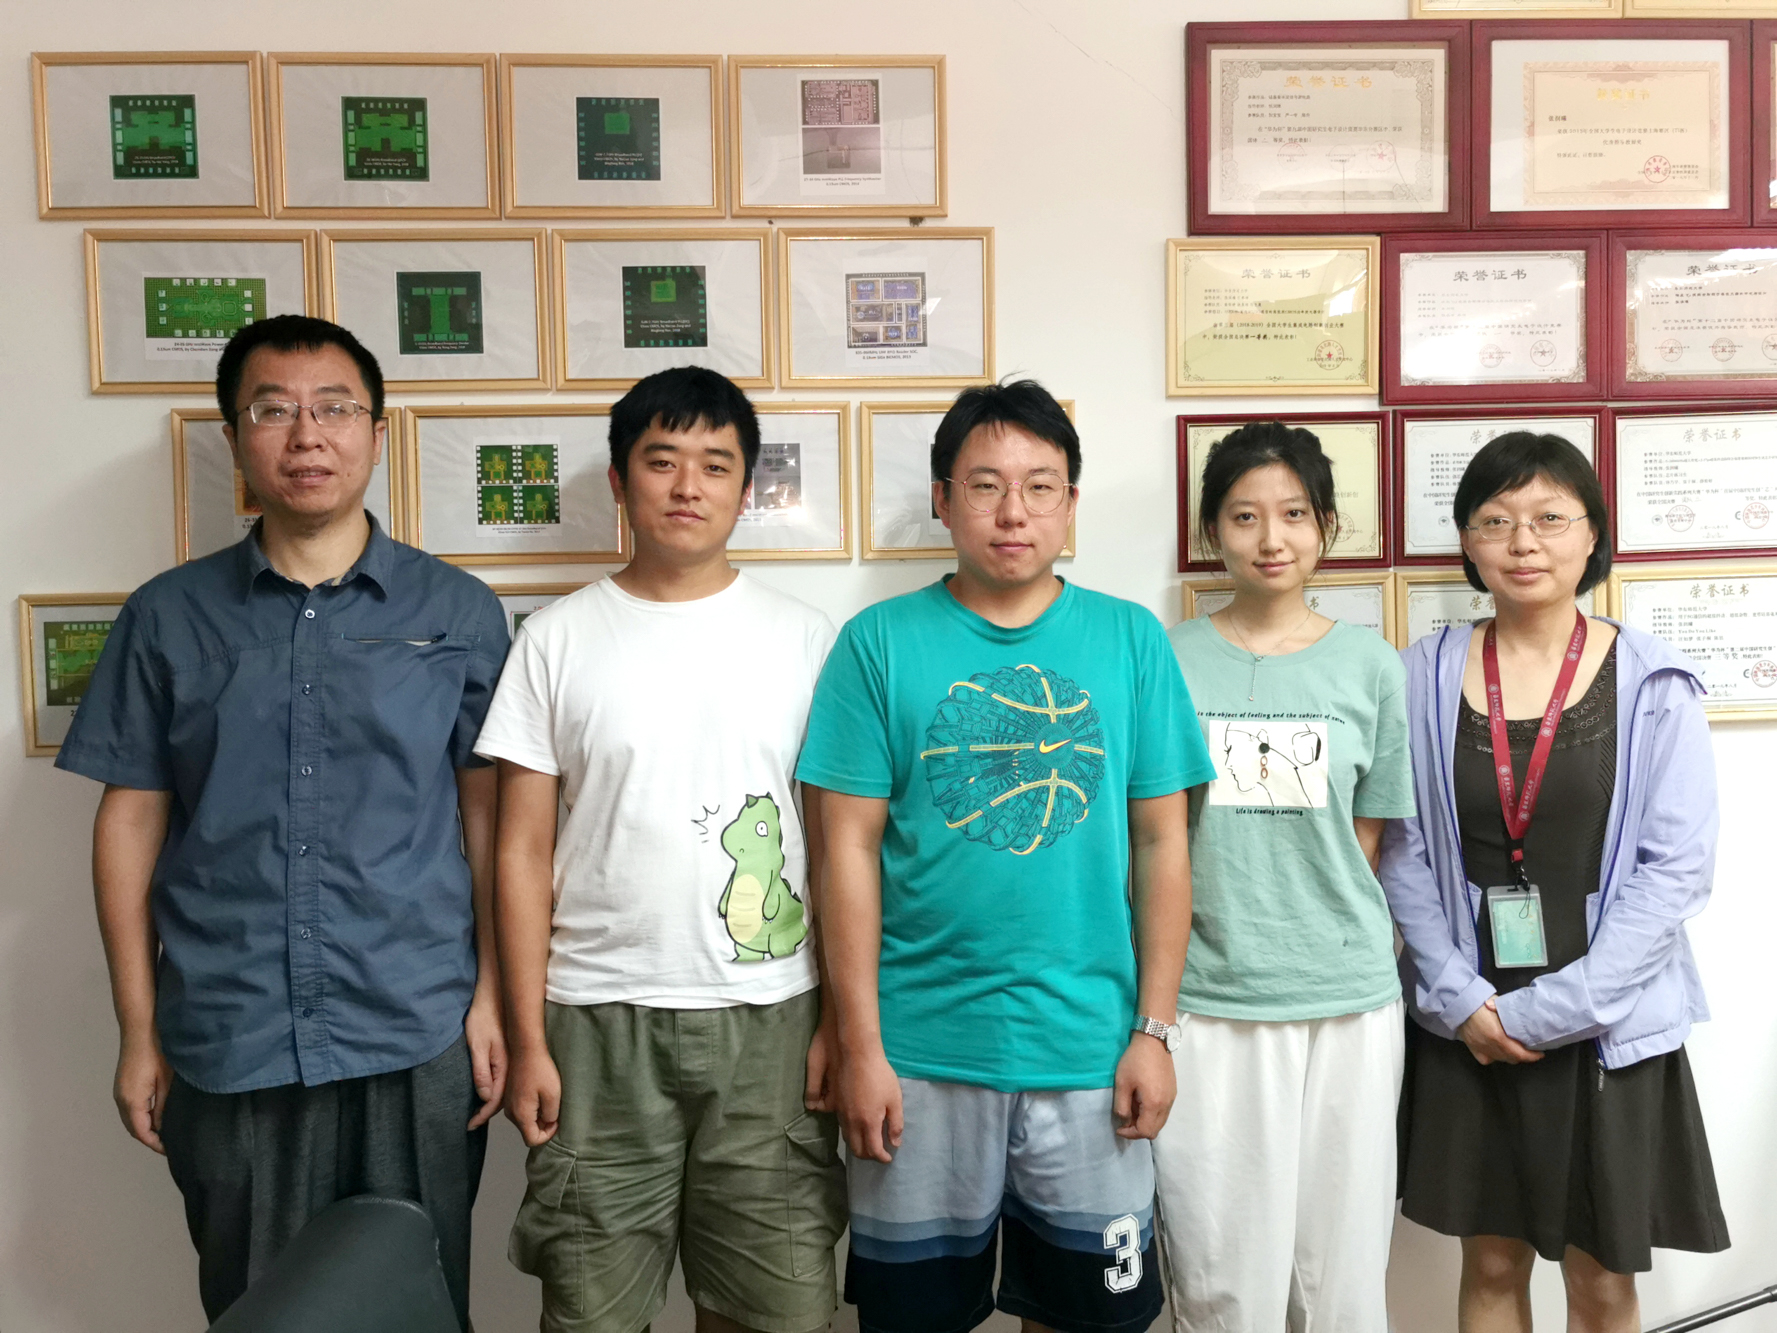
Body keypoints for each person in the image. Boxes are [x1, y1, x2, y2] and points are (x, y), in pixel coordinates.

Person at [56, 314, 509, 1329]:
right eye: (273, 410)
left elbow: (491, 822)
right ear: (235, 439)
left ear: (377, 435)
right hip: (232, 1030)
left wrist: (494, 999)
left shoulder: (458, 612)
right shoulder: (168, 616)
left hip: (415, 1024)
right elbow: (128, 824)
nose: (307, 434)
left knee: (416, 1300)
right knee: (257, 1308)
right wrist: (137, 1029)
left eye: (334, 407)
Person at [799, 380, 1214, 1333]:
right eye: (985, 485)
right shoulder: (876, 644)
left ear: (1071, 504)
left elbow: (1162, 842)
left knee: (1085, 1319)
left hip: (1089, 1052)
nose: (1012, 511)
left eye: (1040, 485)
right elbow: (844, 850)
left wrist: (1153, 1033)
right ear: (943, 500)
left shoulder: (1129, 639)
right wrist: (859, 1045)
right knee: (912, 1321)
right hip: (917, 1055)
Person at [476, 366, 846, 1333]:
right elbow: (518, 852)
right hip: (594, 1021)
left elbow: (835, 845)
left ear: (747, 488)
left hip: (772, 1018)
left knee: (771, 1311)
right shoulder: (554, 639)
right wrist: (526, 1037)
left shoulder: (807, 640)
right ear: (618, 479)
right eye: (662, 460)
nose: (688, 485)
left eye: (715, 465)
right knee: (593, 1311)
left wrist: (840, 1023)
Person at [1383, 432, 1730, 1333]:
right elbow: (1400, 848)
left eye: (1547, 518)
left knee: (1601, 1278)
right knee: (1491, 1263)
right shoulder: (1417, 675)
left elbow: (1674, 869)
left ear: (1591, 534)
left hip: (1608, 1017)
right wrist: (1459, 999)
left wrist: (1552, 1010)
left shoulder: (1653, 680)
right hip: (1469, 1012)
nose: (1522, 542)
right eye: (1495, 521)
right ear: (1467, 541)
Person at [1155, 422, 1415, 1332]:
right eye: (1244, 516)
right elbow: (1153, 837)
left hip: (1346, 996)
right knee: (1222, 1271)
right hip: (1209, 996)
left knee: (1340, 1275)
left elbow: (1365, 840)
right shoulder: (1169, 657)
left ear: (1326, 525)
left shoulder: (1371, 665)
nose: (1271, 538)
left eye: (1294, 514)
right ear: (1210, 532)